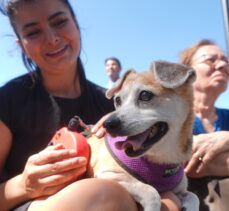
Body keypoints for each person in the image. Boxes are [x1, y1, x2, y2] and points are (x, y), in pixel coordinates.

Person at [0, 0, 181, 211]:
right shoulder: (7, 100)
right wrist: (24, 185)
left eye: (59, 22)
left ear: (76, 23)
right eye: (33, 33)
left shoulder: (113, 104)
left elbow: (158, 170)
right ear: (20, 44)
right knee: (102, 194)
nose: (51, 38)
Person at [180, 39, 229, 211]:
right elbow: (184, 164)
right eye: (210, 59)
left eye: (225, 60)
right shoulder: (173, 118)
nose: (223, 64)